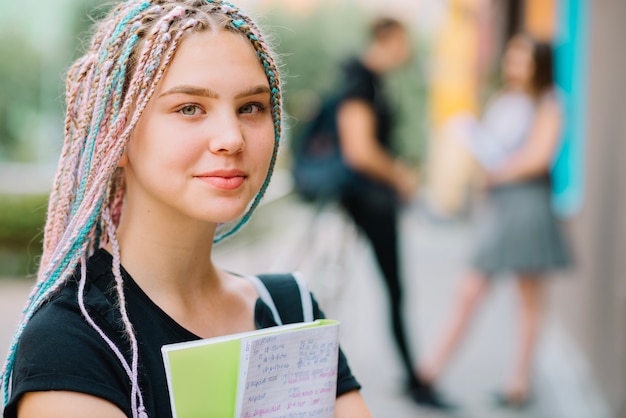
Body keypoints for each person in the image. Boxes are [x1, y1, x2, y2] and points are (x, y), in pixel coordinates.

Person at [0, 1, 373, 417]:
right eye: (189, 108)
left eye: (251, 107)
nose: (231, 138)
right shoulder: (72, 345)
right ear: (116, 135)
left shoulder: (292, 310)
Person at [419, 33, 571, 408]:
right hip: (503, 206)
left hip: (526, 205)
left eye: (523, 58)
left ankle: (513, 381)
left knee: (523, 296)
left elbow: (539, 158)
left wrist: (497, 173)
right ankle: (430, 373)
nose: (514, 64)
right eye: (512, 56)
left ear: (539, 63)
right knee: (474, 292)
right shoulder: (505, 100)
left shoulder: (550, 102)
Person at [334, 17, 452, 409]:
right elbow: (359, 149)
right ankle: (416, 382)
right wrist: (398, 173)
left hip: (367, 200)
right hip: (367, 200)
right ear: (386, 39)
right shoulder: (361, 80)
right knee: (393, 287)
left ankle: (413, 377)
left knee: (389, 288)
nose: (407, 49)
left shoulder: (372, 81)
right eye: (403, 41)